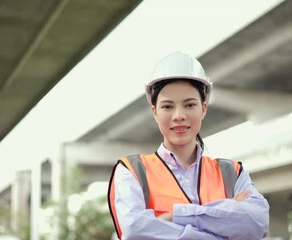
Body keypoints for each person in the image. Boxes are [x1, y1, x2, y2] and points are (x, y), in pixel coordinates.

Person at [107, 51, 269, 239]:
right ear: (155, 112)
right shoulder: (131, 171)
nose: (178, 115)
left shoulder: (232, 172)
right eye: (167, 106)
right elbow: (134, 232)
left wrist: (175, 216)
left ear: (204, 109)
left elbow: (257, 222)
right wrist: (223, 220)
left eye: (190, 105)